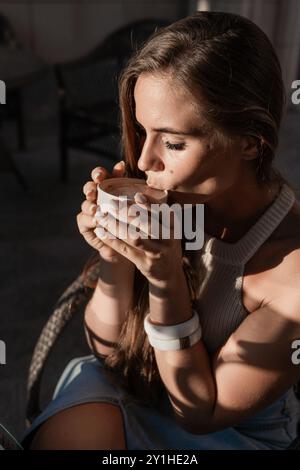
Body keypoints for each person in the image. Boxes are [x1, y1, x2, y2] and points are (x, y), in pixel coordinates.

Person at [23, 11, 300, 450]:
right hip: (131, 386)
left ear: (250, 141)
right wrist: (116, 258)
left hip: (228, 432)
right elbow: (111, 351)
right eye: (140, 130)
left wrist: (165, 278)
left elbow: (200, 413)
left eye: (172, 142)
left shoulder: (291, 268)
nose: (147, 161)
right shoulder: (168, 198)